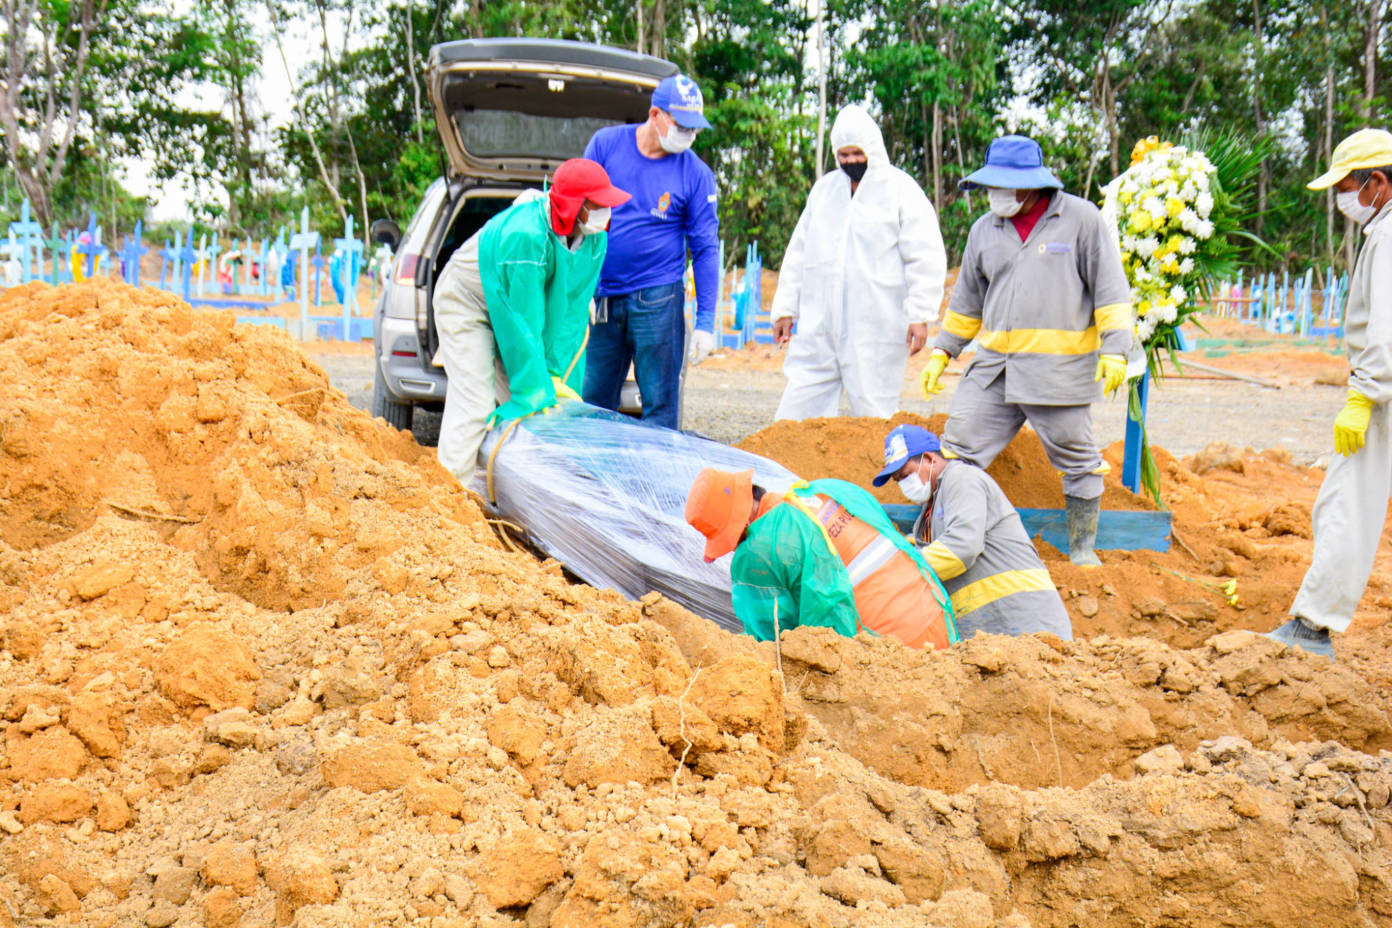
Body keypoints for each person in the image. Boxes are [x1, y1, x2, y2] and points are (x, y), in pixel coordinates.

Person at [921, 134, 1134, 566]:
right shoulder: (984, 230)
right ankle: (951, 537)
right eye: (990, 185)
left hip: (1058, 372)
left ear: (1033, 184)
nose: (995, 194)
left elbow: (1111, 291)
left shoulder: (1081, 220)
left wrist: (1116, 349)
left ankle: (1082, 548)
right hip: (995, 369)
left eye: (1003, 186)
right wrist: (943, 350)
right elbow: (966, 301)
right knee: (957, 448)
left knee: (1078, 457)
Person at [1268, 128, 1392, 659]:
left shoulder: (1387, 238)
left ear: (1377, 183)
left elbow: (1386, 329)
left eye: (1346, 189)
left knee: (1345, 504)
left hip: (1383, 391)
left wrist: (1364, 396)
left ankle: (1312, 628)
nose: (1344, 201)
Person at [433, 158, 631, 485]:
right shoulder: (525, 235)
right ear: (573, 205)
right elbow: (523, 324)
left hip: (514, 307)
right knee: (475, 401)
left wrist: (554, 375)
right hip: (469, 302)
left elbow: (570, 315)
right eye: (597, 204)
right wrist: (535, 386)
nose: (605, 211)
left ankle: (504, 492)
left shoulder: (596, 239)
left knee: (538, 408)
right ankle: (450, 494)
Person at [770, 104, 947, 420]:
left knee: (875, 413)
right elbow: (798, 253)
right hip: (820, 326)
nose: (851, 161)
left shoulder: (901, 191)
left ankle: (882, 453)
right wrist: (785, 308)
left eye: (857, 153)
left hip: (875, 327)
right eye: (844, 155)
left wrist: (920, 315)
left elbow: (925, 255)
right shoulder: (824, 191)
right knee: (796, 412)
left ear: (873, 150)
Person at [684, 467, 957, 650]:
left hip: (884, 651)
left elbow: (768, 641)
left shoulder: (758, 550)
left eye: (730, 541)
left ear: (741, 524)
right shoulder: (827, 490)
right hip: (936, 617)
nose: (734, 549)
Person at [581, 74, 720, 429]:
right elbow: (579, 215)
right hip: (603, 299)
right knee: (593, 403)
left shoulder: (696, 174)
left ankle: (657, 466)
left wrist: (705, 322)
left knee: (659, 406)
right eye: (682, 126)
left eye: (694, 129)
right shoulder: (606, 145)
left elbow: (705, 248)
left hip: (658, 300)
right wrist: (579, 288)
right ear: (655, 115)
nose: (689, 135)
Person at [874, 424, 1071, 640]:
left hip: (1027, 622)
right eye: (898, 480)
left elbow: (962, 547)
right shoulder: (926, 518)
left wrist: (902, 569)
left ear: (930, 459)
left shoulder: (962, 479)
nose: (903, 484)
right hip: (989, 636)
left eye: (905, 475)